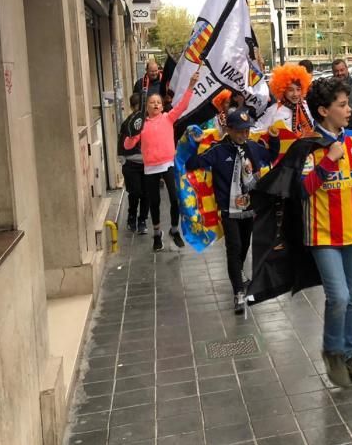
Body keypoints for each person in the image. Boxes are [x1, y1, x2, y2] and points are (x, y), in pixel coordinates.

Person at [303, 78, 352, 388]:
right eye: (342, 105)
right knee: (339, 296)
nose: (349, 109)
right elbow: (303, 189)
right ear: (322, 110)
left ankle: (351, 352)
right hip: (322, 234)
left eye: (348, 103)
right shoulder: (308, 145)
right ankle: (332, 351)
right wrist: (329, 160)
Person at [186, 107, 280, 313]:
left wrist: (274, 139)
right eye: (239, 130)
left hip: (249, 208)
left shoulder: (253, 147)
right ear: (228, 129)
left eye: (246, 130)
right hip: (229, 211)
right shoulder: (218, 150)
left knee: (244, 246)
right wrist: (193, 143)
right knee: (234, 248)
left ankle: (238, 273)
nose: (244, 134)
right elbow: (193, 163)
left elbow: (270, 156)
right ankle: (238, 291)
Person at [124, 69, 199, 251]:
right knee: (155, 203)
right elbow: (127, 145)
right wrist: (133, 134)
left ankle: (174, 229)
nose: (156, 104)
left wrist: (190, 86)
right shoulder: (141, 124)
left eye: (158, 102)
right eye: (152, 102)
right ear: (146, 107)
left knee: (175, 199)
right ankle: (157, 234)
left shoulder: (168, 118)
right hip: (150, 168)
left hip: (168, 164)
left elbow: (182, 105)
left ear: (162, 106)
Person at [117, 93, 148, 234]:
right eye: (136, 108)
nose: (139, 111)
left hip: (148, 164)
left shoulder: (149, 122)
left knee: (146, 194)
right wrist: (123, 161)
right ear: (132, 107)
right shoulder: (128, 124)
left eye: (141, 108)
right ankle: (131, 216)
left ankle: (142, 220)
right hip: (131, 164)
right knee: (135, 192)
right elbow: (121, 144)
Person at [256, 64, 314, 136]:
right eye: (290, 90)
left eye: (298, 89)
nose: (295, 94)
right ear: (283, 90)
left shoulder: (308, 106)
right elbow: (257, 130)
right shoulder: (274, 110)